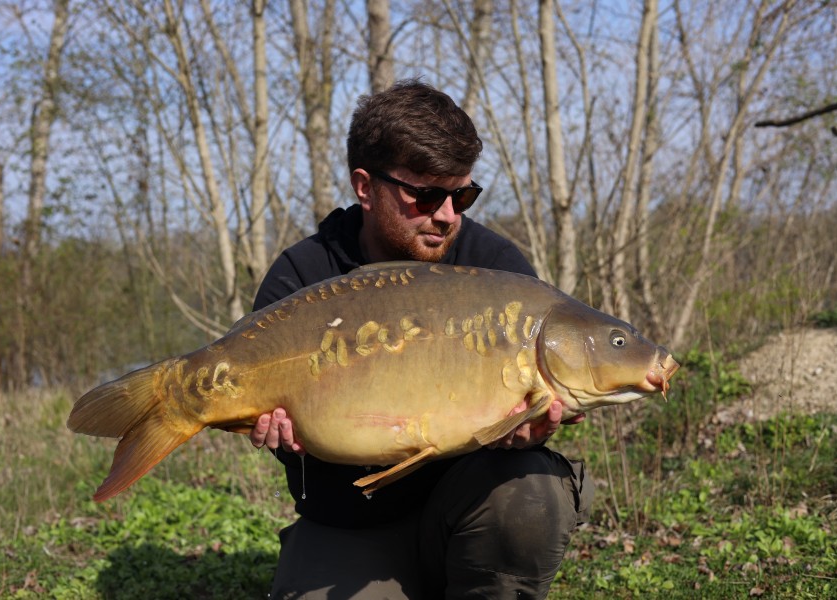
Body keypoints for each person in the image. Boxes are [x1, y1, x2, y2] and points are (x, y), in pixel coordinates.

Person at [247, 79, 594, 599]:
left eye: (463, 194)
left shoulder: (497, 272)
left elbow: (533, 409)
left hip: (464, 516)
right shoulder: (302, 278)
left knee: (530, 489)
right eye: (427, 194)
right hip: (351, 523)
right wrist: (285, 439)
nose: (448, 215)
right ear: (364, 187)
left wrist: (531, 432)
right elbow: (283, 433)